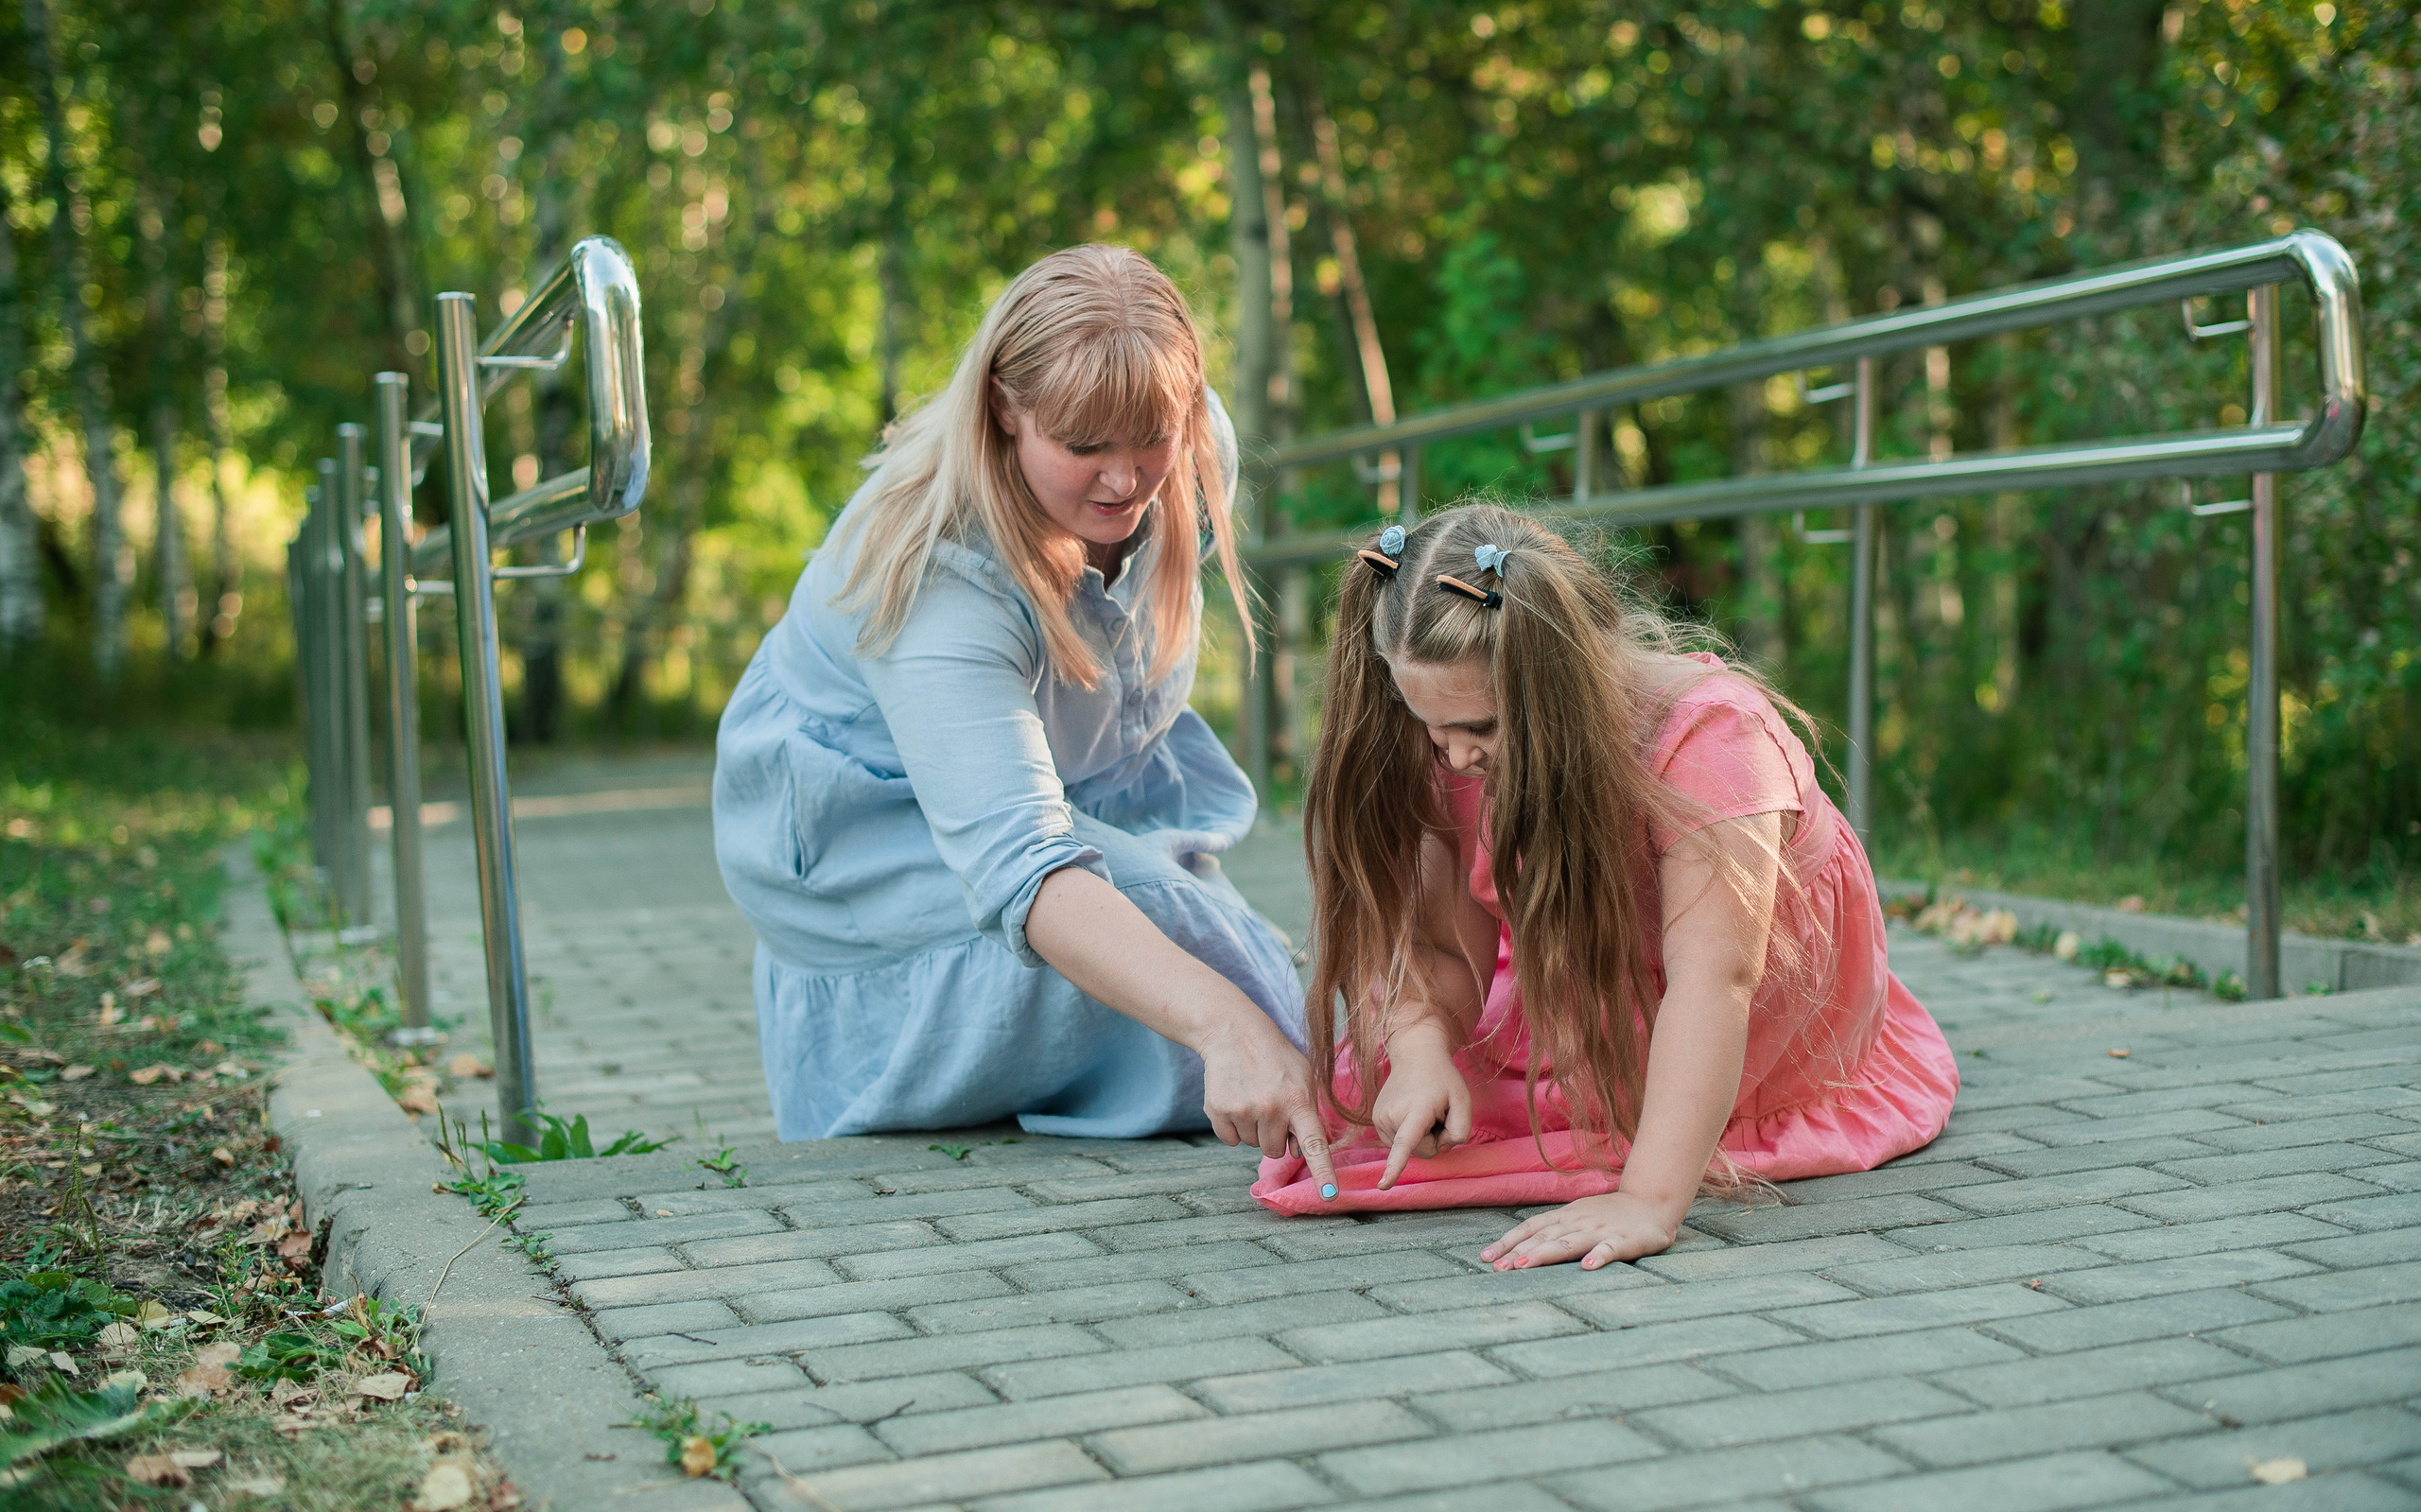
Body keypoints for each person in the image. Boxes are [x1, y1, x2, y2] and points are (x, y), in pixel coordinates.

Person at [714, 244, 1338, 1193]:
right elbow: (1023, 860)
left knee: (1246, 970)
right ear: (1006, 408)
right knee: (1225, 982)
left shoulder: (1190, 438)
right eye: (1083, 447)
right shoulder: (935, 574)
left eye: (1148, 441)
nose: (1125, 481)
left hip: (1046, 801)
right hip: (877, 858)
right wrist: (1229, 1024)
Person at [1252, 502, 1958, 1266]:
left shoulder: (1715, 743)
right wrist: (1423, 1049)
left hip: (1739, 1009)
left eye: (1480, 730)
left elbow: (1715, 981)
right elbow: (1437, 946)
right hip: (1600, 975)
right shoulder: (1458, 727)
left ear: (1557, 687)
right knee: (1397, 1095)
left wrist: (1649, 1198)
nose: (1453, 758)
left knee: (1628, 1110)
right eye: (1428, 725)